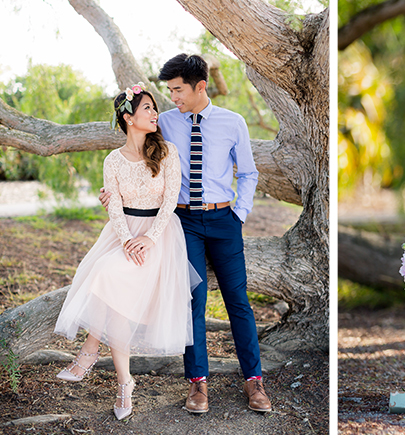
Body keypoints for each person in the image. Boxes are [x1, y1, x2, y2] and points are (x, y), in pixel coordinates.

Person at [99, 54, 270, 413]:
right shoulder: (165, 125)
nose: (172, 97)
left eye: (177, 90)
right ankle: (197, 384)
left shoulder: (233, 122)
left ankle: (254, 382)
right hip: (182, 223)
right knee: (193, 299)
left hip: (224, 220)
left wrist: (239, 214)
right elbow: (140, 159)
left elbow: (249, 173)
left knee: (237, 300)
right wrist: (113, 194)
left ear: (200, 86)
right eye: (170, 91)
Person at [54, 84, 197, 420]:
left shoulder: (167, 153)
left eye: (155, 108)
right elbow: (114, 207)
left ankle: (91, 349)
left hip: (159, 236)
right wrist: (125, 239)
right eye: (147, 108)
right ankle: (124, 384)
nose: (154, 114)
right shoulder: (113, 160)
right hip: (122, 235)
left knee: (108, 280)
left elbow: (170, 201)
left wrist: (149, 239)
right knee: (108, 283)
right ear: (128, 117)